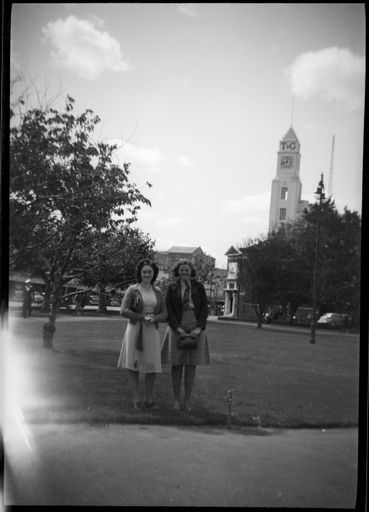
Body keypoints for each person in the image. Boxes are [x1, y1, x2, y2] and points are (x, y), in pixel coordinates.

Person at [117, 259, 167, 410]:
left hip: (151, 330)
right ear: (140, 273)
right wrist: (141, 317)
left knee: (151, 365)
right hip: (135, 329)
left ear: (154, 274)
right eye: (144, 272)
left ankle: (149, 398)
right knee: (133, 364)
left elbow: (165, 313)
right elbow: (123, 310)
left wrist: (155, 318)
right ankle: (136, 399)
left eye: (149, 272)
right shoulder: (132, 289)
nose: (147, 274)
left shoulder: (158, 291)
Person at [161, 259, 210, 412]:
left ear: (191, 271)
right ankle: (176, 400)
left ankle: (187, 401)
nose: (184, 272)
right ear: (178, 271)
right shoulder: (171, 288)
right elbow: (168, 309)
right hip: (177, 330)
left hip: (196, 330)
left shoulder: (199, 287)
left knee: (191, 366)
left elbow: (204, 309)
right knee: (176, 366)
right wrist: (178, 329)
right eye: (181, 270)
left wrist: (199, 328)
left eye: (187, 270)